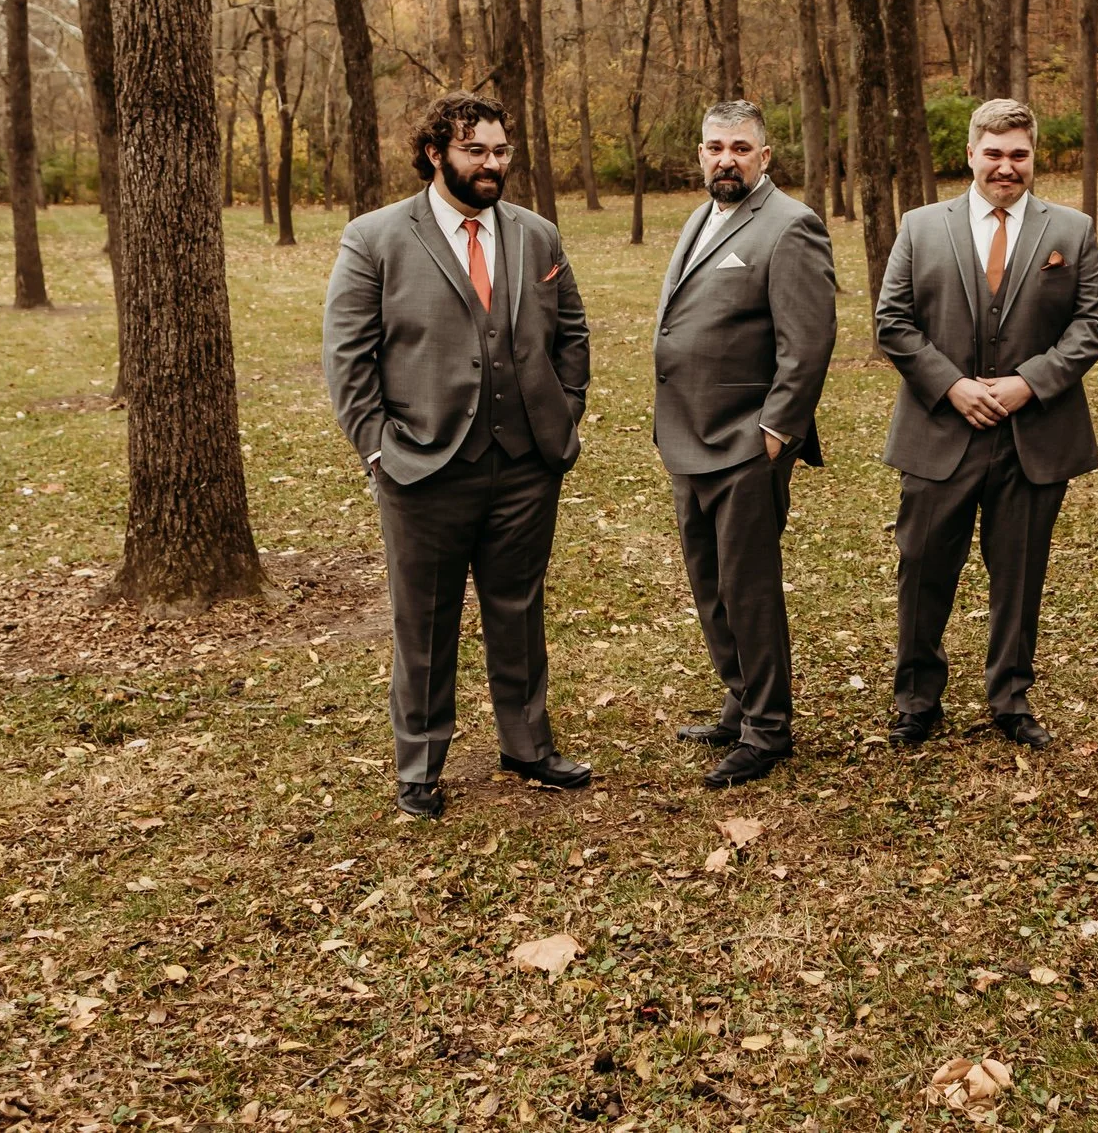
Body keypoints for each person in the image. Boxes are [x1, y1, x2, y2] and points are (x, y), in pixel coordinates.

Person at [321, 95, 594, 819]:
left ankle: (528, 744)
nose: (493, 163)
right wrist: (378, 448)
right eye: (477, 150)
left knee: (519, 608)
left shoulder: (537, 235)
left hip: (526, 462)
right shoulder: (375, 237)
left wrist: (564, 415)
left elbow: (572, 333)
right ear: (437, 152)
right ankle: (419, 764)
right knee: (426, 620)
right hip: (421, 466)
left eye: (501, 150)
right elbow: (348, 358)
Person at [873, 99, 1098, 748]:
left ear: (1033, 156)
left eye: (1019, 154)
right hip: (937, 432)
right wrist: (950, 385)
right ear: (971, 153)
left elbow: (1094, 326)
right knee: (921, 569)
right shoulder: (922, 227)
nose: (1006, 166)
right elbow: (892, 321)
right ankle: (917, 699)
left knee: (1019, 573)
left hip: (1031, 437)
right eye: (994, 153)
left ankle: (1010, 696)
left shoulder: (1072, 230)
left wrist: (1026, 383)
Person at [653, 100, 838, 789]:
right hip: (686, 436)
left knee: (747, 588)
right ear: (700, 153)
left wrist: (773, 435)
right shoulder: (704, 216)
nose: (723, 158)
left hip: (742, 443)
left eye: (738, 147)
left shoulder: (791, 226)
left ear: (765, 156)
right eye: (713, 146)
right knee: (710, 583)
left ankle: (768, 728)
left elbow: (808, 342)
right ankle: (740, 699)